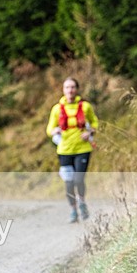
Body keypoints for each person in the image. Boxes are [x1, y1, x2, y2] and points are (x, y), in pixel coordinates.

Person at [46, 77, 99, 223]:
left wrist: (90, 132)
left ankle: (82, 202)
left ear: (77, 89)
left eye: (73, 87)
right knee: (69, 182)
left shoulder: (85, 106)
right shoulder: (57, 109)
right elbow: (49, 129)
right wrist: (54, 130)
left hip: (83, 148)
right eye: (67, 87)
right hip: (64, 150)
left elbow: (95, 123)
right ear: (63, 90)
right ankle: (73, 210)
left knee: (79, 179)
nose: (70, 90)